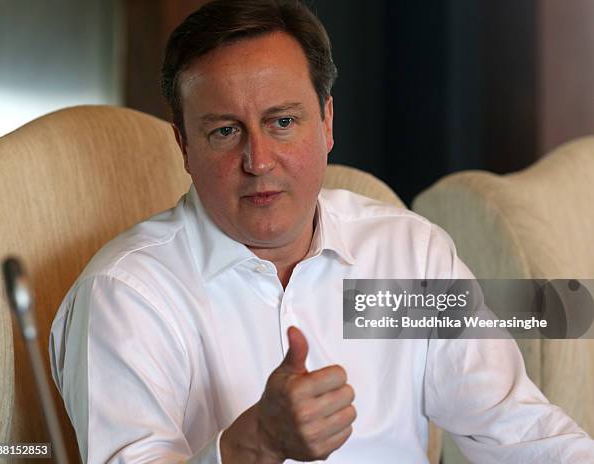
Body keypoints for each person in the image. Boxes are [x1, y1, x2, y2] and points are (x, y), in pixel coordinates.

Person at [49, 1, 594, 463]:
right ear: (185, 146)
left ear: (328, 122)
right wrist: (254, 443)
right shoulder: (128, 293)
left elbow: (515, 426)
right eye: (224, 131)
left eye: (282, 122)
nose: (258, 161)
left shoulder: (407, 253)